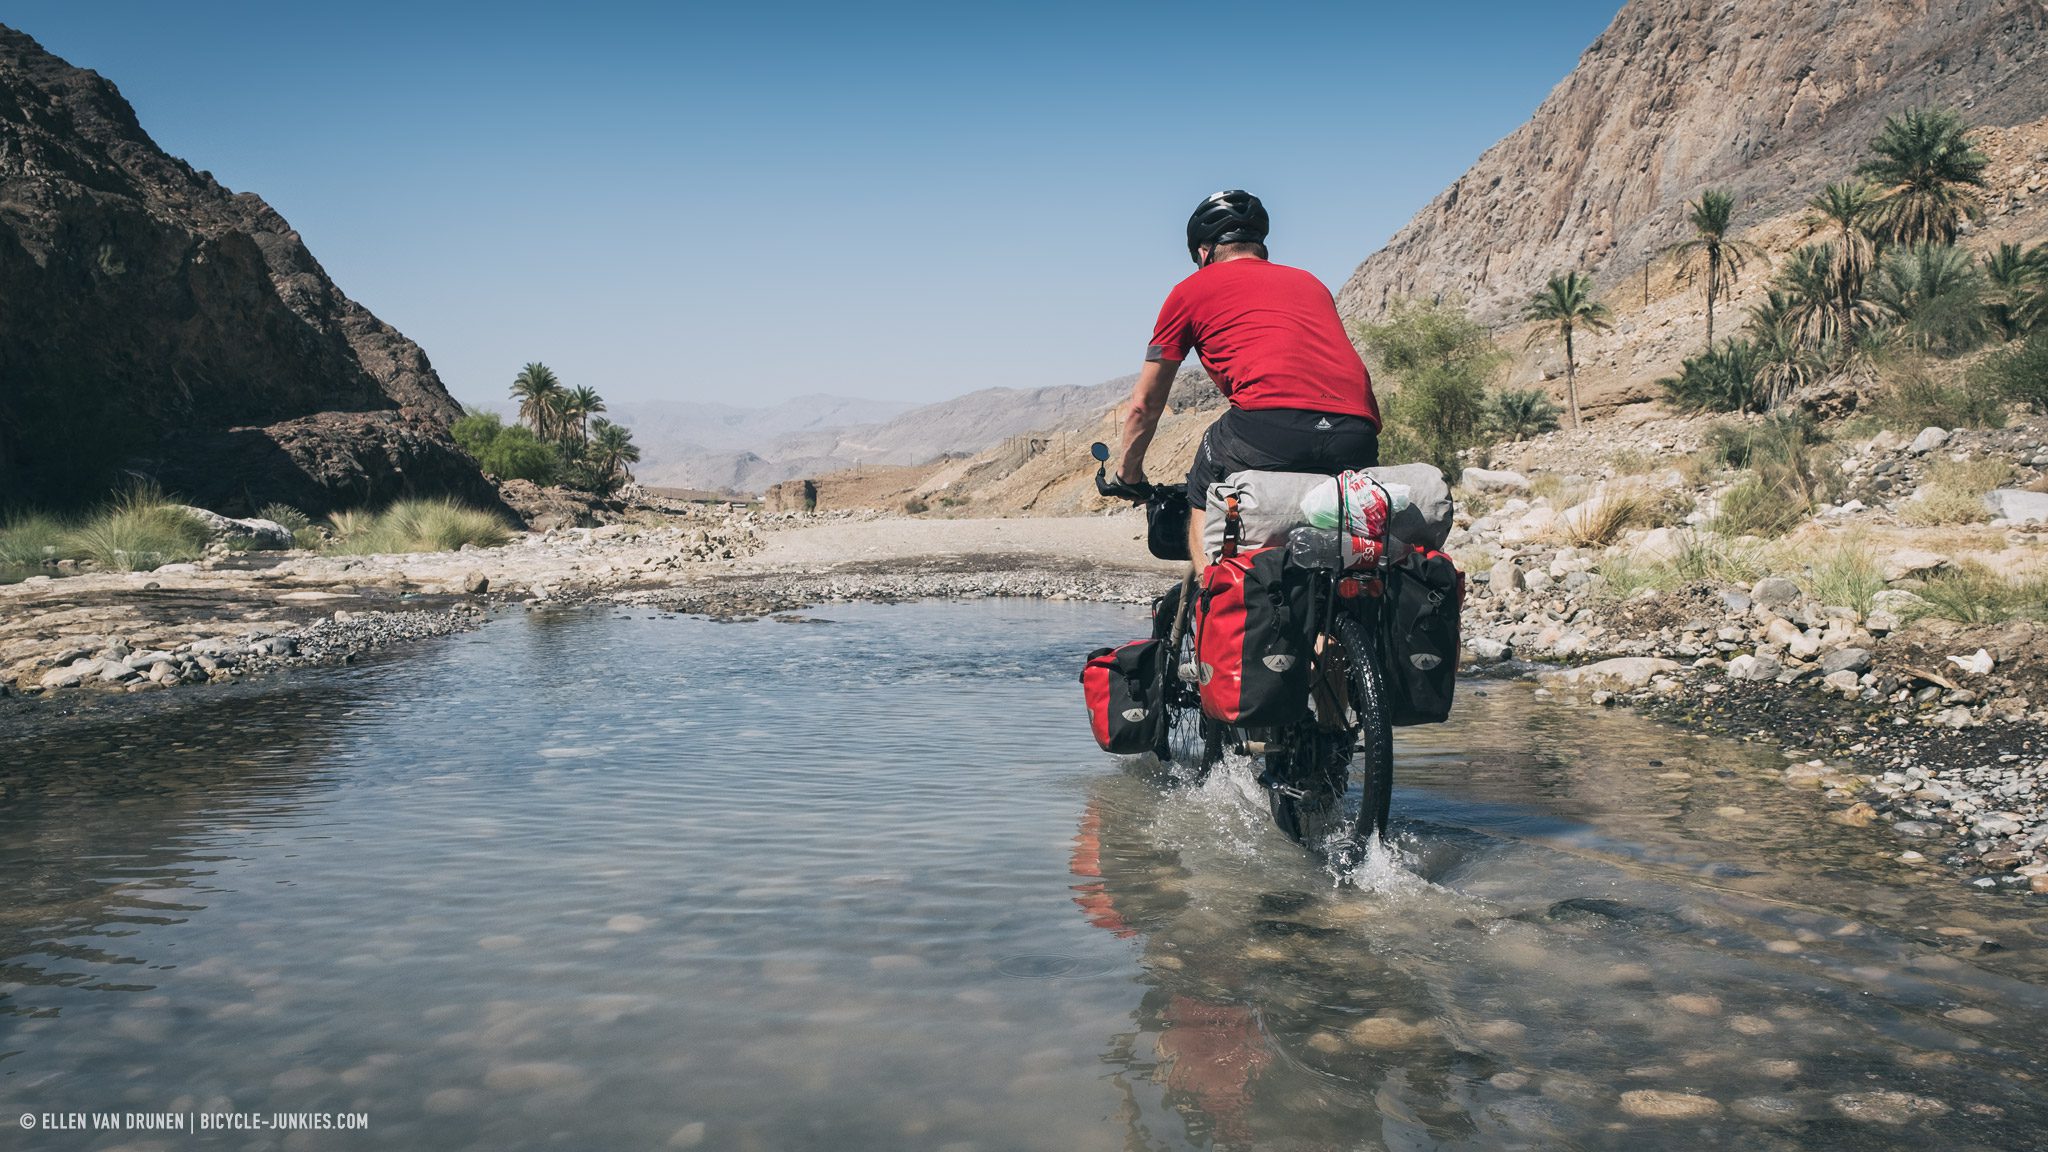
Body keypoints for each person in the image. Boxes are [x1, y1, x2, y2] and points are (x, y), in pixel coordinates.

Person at [1110, 189, 1381, 568]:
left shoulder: (1189, 292)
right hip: (1358, 430)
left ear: (1203, 252)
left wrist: (1129, 474)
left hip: (1267, 426)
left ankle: (1211, 605)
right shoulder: (1311, 282)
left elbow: (1145, 404)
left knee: (1202, 490)